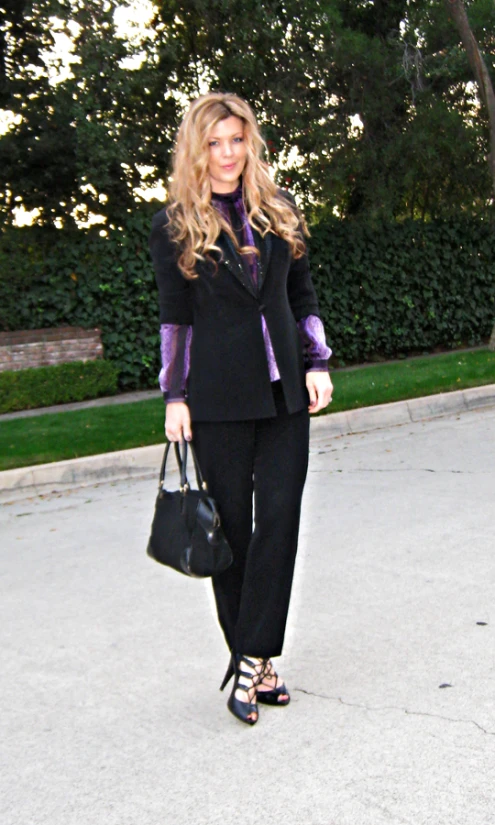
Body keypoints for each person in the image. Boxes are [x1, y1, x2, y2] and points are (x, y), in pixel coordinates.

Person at [149, 92, 333, 725]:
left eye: (237, 140)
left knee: (279, 521)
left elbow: (302, 294)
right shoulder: (176, 223)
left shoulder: (279, 211)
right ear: (197, 149)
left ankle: (250, 659)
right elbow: (175, 320)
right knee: (233, 532)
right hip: (218, 399)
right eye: (214, 142)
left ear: (250, 142)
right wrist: (174, 395)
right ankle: (257, 660)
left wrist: (317, 363)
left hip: (285, 393)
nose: (227, 154)